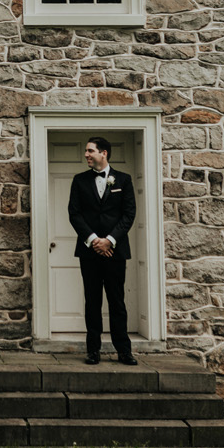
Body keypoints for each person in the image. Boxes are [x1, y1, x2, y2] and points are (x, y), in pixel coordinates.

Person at [67, 135, 138, 366]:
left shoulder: (124, 180)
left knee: (117, 302)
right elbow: (74, 214)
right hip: (89, 252)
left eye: (90, 151)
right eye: (86, 151)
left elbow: (128, 215)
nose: (86, 154)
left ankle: (124, 351)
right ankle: (93, 350)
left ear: (104, 153)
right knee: (92, 301)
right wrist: (94, 240)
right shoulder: (79, 181)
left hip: (115, 252)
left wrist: (109, 240)